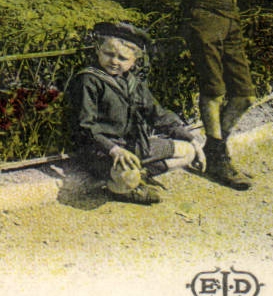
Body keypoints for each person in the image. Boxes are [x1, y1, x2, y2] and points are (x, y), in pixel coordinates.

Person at [171, 0, 260, 189]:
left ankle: (215, 146)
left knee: (246, 95)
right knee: (214, 91)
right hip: (202, 20)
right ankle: (220, 159)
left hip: (230, 19)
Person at [64, 21, 203, 205]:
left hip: (134, 147)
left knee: (189, 151)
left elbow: (158, 114)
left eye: (122, 58)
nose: (114, 61)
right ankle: (123, 186)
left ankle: (141, 176)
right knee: (125, 175)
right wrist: (113, 149)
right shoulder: (89, 80)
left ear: (133, 61)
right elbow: (85, 126)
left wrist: (192, 139)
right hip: (101, 150)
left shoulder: (133, 83)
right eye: (108, 54)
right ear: (98, 50)